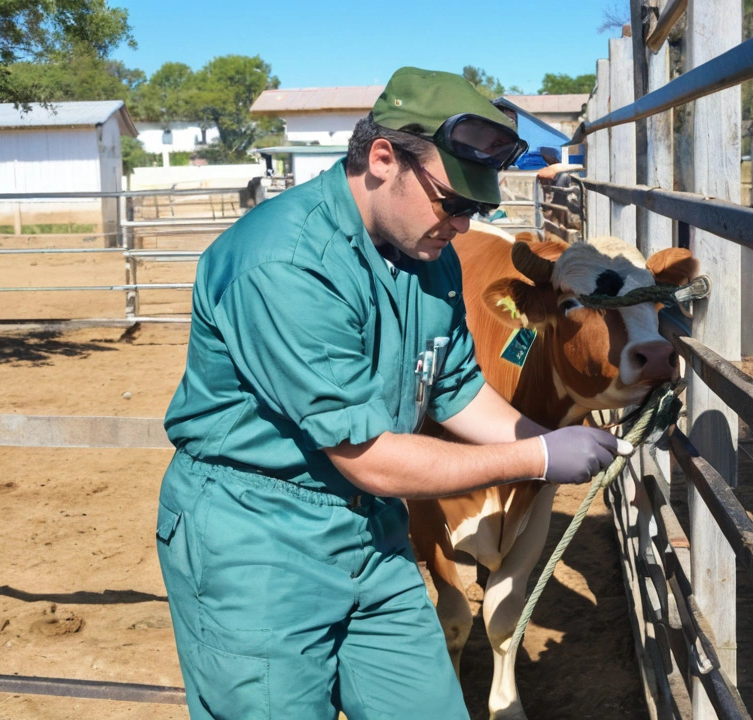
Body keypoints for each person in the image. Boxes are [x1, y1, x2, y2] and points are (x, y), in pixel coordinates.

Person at [155, 67, 627, 720]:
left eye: (477, 209)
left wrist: (546, 437)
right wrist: (539, 460)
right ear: (383, 159)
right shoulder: (285, 264)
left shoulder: (429, 259)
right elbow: (371, 456)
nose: (463, 225)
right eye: (451, 202)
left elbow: (455, 388)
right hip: (260, 538)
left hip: (374, 534)